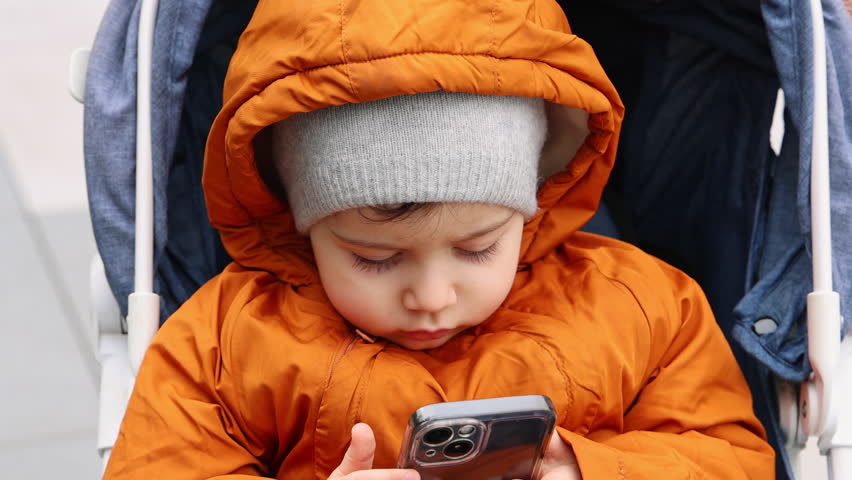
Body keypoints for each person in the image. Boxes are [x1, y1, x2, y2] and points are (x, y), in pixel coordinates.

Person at [103, 0, 776, 478]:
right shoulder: (229, 342)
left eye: (478, 247)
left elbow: (732, 460)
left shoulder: (643, 309)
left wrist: (590, 469)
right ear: (304, 225)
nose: (431, 295)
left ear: (532, 202)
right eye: (375, 258)